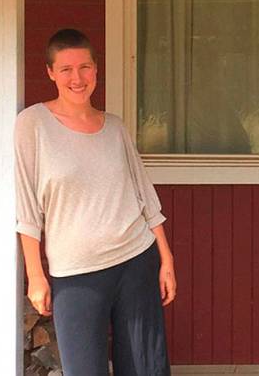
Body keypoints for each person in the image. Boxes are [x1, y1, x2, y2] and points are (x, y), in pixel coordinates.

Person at [15, 28, 176, 376]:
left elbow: (145, 196)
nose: (77, 78)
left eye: (84, 67)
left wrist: (166, 258)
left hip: (136, 261)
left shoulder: (114, 127)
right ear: (50, 72)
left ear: (96, 70)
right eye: (66, 69)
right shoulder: (33, 124)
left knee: (146, 368)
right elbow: (26, 208)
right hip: (75, 273)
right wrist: (35, 275)